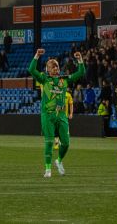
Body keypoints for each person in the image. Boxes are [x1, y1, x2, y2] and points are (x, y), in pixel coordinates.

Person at [28, 50, 85, 178]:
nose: (55, 69)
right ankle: (48, 169)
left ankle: (58, 160)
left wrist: (80, 59)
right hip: (47, 115)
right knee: (49, 142)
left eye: (57, 67)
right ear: (47, 70)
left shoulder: (63, 80)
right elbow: (31, 69)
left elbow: (81, 72)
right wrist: (37, 55)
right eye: (52, 67)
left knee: (66, 143)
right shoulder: (44, 79)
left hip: (61, 115)